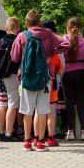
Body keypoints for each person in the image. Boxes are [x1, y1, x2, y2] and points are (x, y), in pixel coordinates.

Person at [10, 10, 68, 151]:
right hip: (44, 78)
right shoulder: (49, 34)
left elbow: (14, 57)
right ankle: (41, 142)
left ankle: (27, 141)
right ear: (40, 22)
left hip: (27, 78)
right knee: (42, 110)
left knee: (27, 111)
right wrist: (52, 53)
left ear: (26, 23)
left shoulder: (22, 36)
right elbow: (66, 44)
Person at [61, 17, 84, 141]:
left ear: (67, 28)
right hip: (80, 72)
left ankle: (70, 131)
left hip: (67, 72)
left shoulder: (63, 41)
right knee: (80, 101)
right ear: (79, 28)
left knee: (69, 102)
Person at [0, 16, 21, 142]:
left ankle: (1, 131)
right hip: (12, 75)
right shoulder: (17, 41)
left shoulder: (0, 41)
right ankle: (9, 133)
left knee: (2, 103)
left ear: (6, 28)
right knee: (12, 103)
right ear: (18, 28)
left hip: (1, 75)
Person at [41, 20, 65, 147]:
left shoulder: (38, 46)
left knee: (39, 112)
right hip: (53, 84)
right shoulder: (56, 52)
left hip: (38, 84)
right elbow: (61, 70)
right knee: (51, 112)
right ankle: (51, 137)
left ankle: (37, 137)